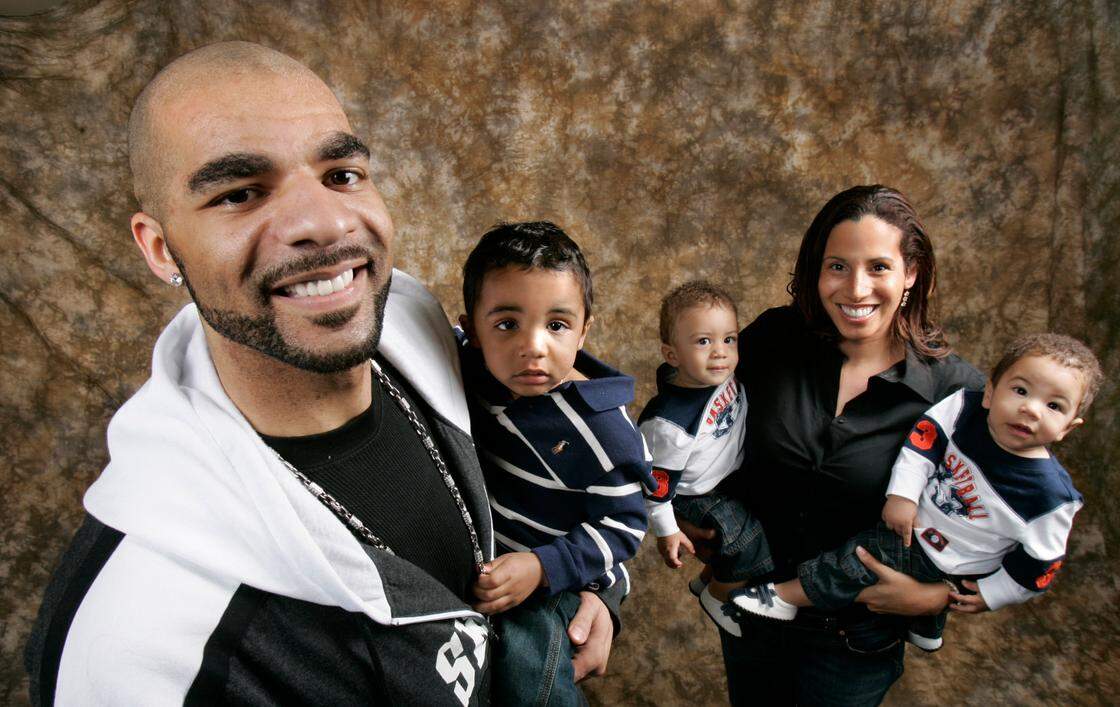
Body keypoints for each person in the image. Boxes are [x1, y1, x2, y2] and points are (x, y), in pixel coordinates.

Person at [24, 42, 615, 706]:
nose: (326, 222)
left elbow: (571, 452)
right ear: (162, 249)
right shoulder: (142, 644)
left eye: (340, 174)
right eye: (241, 192)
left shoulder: (418, 326)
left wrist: (590, 582)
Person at [678, 185, 986, 705]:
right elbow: (691, 416)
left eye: (879, 267)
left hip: (855, 642)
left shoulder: (954, 392)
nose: (856, 288)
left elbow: (1017, 513)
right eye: (837, 266)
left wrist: (930, 597)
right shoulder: (774, 339)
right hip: (750, 619)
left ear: (911, 273)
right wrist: (692, 515)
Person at [733, 333, 1100, 654]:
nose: (1030, 409)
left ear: (1069, 427)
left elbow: (1041, 565)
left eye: (1054, 406)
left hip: (962, 563)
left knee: (856, 560)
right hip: (917, 530)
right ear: (990, 392)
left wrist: (989, 595)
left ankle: (783, 596)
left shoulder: (1052, 497)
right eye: (1020, 390)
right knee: (883, 543)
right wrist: (904, 495)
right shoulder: (965, 409)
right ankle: (925, 628)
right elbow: (921, 443)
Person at [456, 222, 654, 705]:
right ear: (473, 330)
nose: (534, 346)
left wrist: (543, 568)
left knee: (532, 677)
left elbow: (625, 526)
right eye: (507, 324)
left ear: (584, 329)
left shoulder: (603, 431)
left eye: (558, 325)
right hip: (486, 565)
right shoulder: (470, 369)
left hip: (555, 580)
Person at [638, 281, 771, 638]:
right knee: (746, 541)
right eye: (703, 342)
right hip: (693, 494)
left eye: (729, 339)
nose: (720, 352)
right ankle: (718, 597)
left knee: (747, 531)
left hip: (725, 479)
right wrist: (668, 532)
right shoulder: (670, 425)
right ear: (672, 355)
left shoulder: (721, 375)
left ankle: (708, 581)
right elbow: (655, 487)